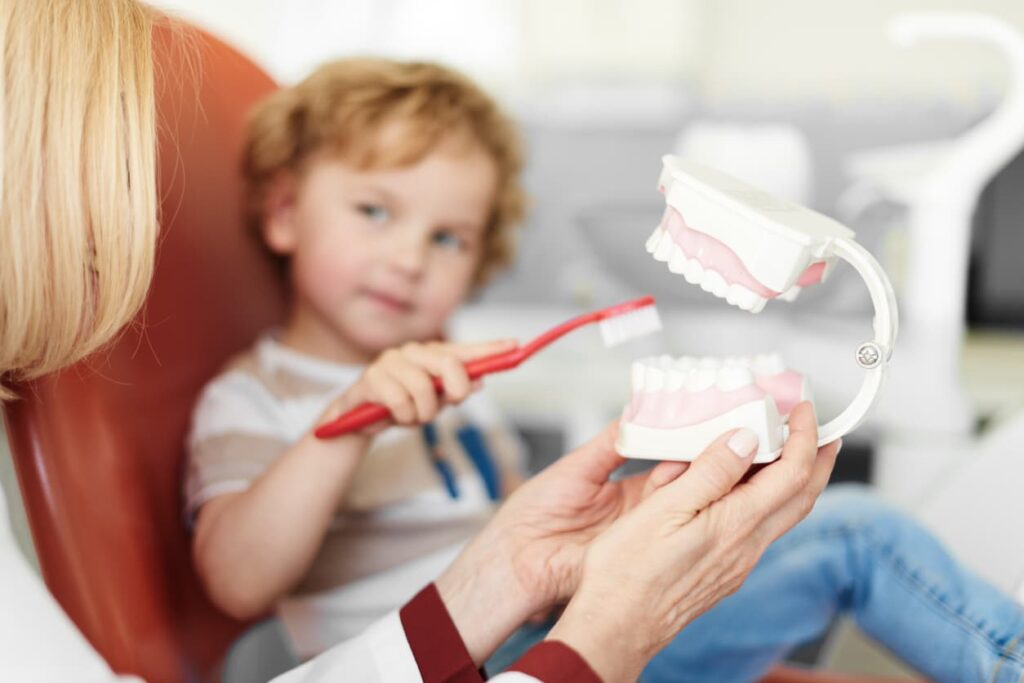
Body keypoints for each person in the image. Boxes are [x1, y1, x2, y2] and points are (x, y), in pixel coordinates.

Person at [0, 1, 839, 680]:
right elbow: (237, 579)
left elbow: (531, 548)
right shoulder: (256, 397)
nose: (407, 259)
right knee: (852, 540)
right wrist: (346, 426)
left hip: (529, 632)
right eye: (375, 213)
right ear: (285, 212)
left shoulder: (461, 393)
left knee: (849, 537)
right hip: (487, 654)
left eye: (448, 239)